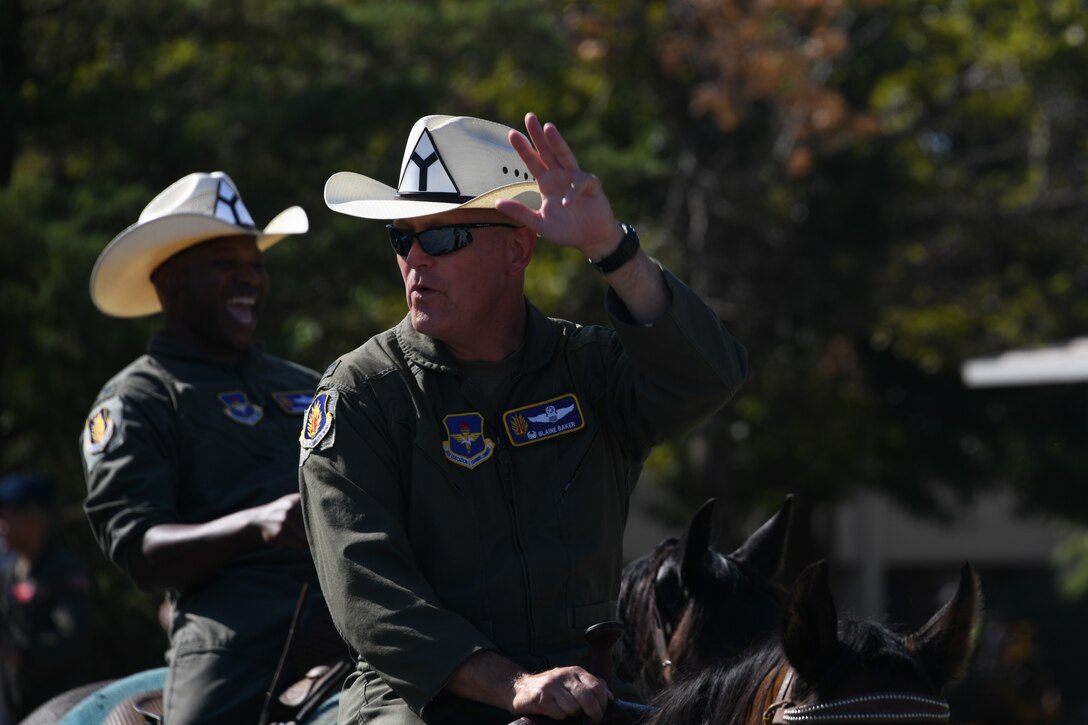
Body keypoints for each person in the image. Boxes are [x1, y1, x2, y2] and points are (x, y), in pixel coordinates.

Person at [299, 113, 749, 724]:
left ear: (517, 247)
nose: (416, 260)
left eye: (444, 238)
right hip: (418, 699)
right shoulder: (361, 393)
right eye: (402, 237)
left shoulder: (589, 369)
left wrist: (612, 251)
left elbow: (710, 376)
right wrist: (514, 685)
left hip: (585, 695)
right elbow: (370, 598)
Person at [80, 172, 338, 724]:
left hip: (356, 600)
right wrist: (255, 523)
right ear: (169, 281)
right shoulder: (139, 398)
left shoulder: (311, 383)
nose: (250, 279)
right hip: (235, 630)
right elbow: (139, 550)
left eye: (257, 266)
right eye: (226, 266)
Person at [0, 472, 95, 721]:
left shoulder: (65, 571)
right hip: (17, 705)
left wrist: (21, 653)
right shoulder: (11, 571)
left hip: (60, 708)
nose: (1, 527)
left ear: (32, 520)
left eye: (5, 517)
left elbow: (72, 637)